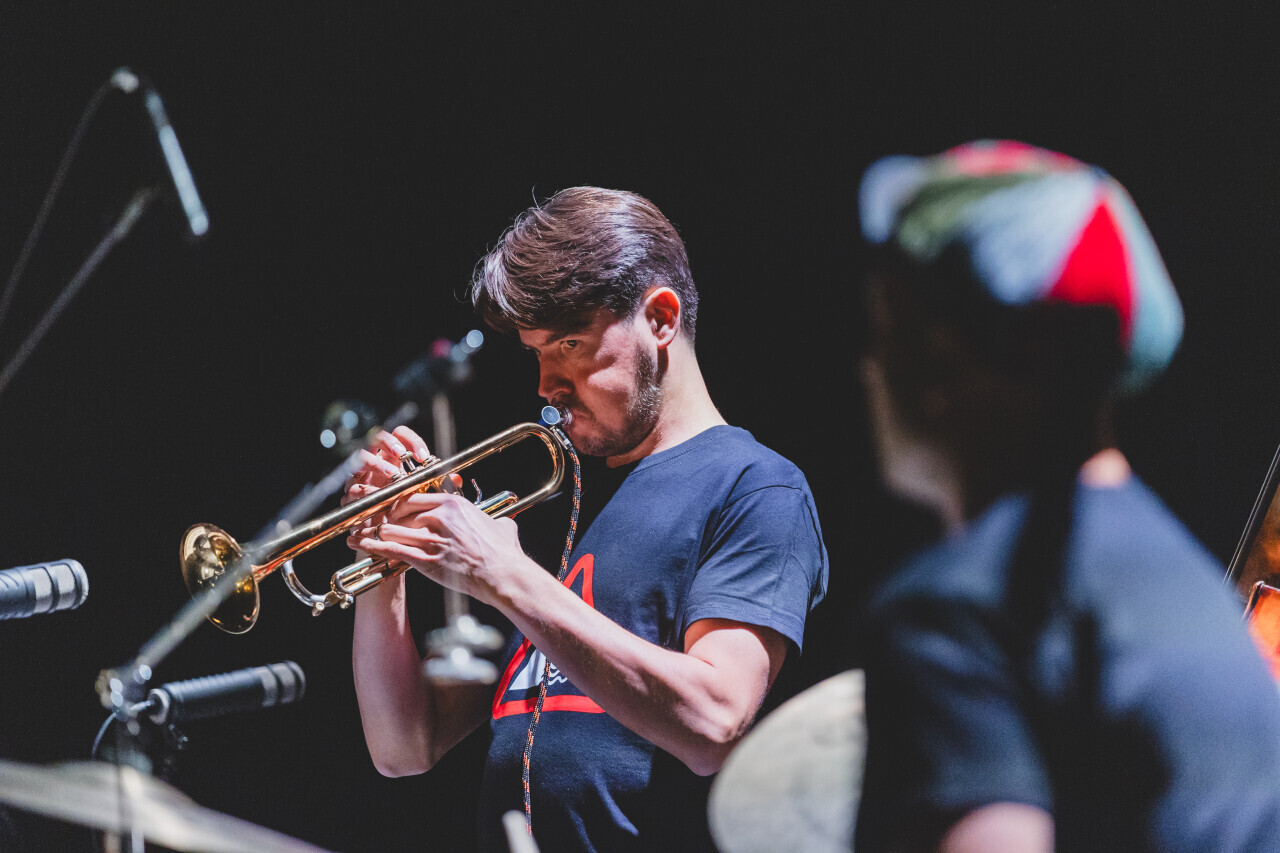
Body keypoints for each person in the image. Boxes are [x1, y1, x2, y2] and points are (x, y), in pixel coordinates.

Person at [344, 186, 828, 852]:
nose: (546, 383)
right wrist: (382, 553)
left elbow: (713, 720)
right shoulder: (557, 503)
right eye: (537, 352)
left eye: (570, 343)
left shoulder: (756, 487)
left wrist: (503, 573)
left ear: (660, 319)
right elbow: (403, 746)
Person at [853, 140, 1280, 853]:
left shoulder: (958, 612)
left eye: (883, 326)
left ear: (938, 358)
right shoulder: (1199, 594)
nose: (867, 369)